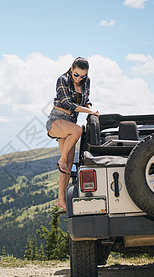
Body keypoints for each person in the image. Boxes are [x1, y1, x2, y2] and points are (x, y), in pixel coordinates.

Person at [46, 57, 100, 210]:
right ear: (71, 69)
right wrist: (88, 110)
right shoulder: (62, 80)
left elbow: (86, 100)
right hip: (57, 120)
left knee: (68, 166)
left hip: (69, 124)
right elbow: (66, 103)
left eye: (83, 76)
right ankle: (61, 160)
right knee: (78, 131)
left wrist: (91, 111)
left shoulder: (86, 82)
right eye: (76, 75)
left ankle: (61, 200)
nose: (79, 79)